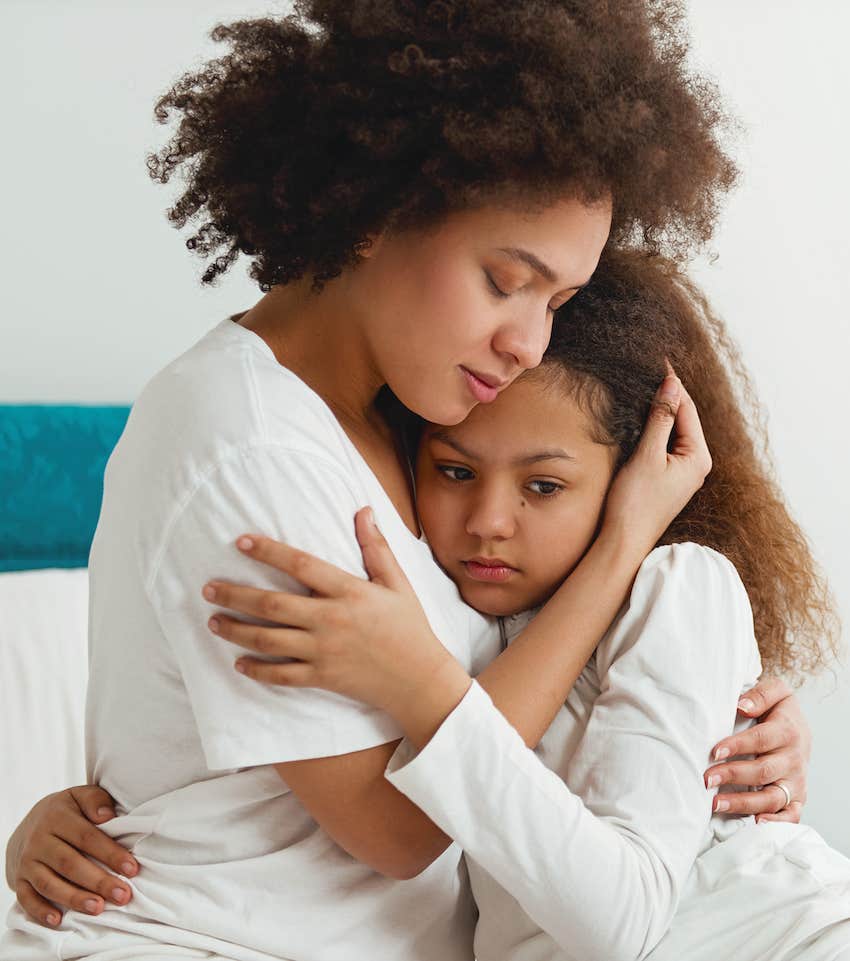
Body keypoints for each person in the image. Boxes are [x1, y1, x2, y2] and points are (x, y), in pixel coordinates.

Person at [1, 3, 812, 960]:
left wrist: (710, 717)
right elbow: (402, 826)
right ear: (378, 208)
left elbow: (509, 680)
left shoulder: (417, 427)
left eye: (556, 300)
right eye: (504, 280)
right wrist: (624, 548)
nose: (529, 341)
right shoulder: (248, 443)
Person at [181, 249, 846, 960]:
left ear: (631, 480)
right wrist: (55, 813)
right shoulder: (453, 619)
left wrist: (423, 687)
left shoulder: (679, 584)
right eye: (456, 470)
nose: (489, 519)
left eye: (545, 486)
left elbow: (624, 922)